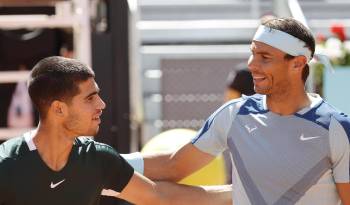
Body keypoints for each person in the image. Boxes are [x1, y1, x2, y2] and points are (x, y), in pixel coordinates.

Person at [126, 17, 350, 205]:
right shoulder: (233, 114)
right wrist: (99, 159)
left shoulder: (337, 128)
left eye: (265, 57)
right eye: (253, 53)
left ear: (298, 64)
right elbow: (173, 166)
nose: (252, 64)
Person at [0, 56, 232, 205]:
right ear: (59, 109)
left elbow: (160, 195)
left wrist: (240, 192)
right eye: (90, 98)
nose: (102, 104)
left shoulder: (98, 158)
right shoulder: (7, 165)